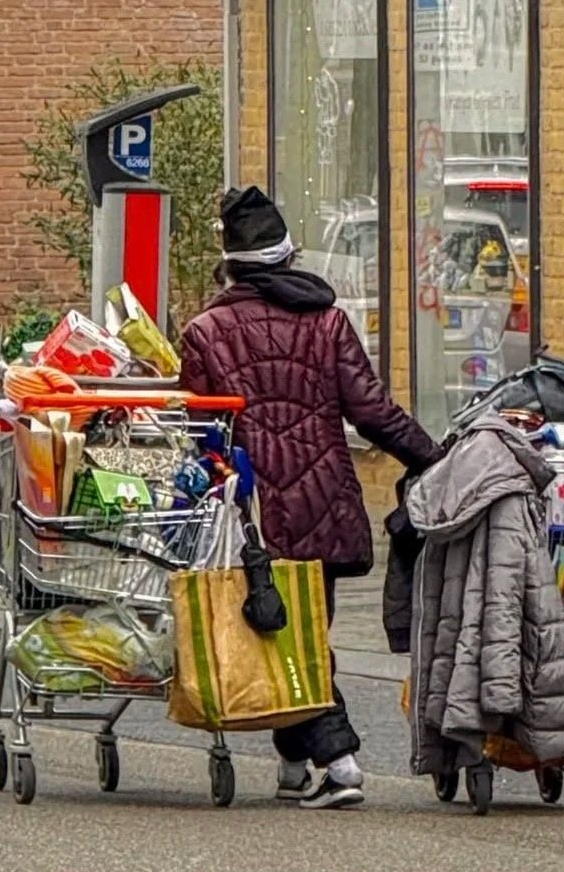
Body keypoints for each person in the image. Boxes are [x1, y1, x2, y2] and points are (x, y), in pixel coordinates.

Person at [181, 185, 441, 807]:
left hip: (253, 513)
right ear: (287, 256)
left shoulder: (206, 331)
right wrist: (433, 457)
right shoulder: (329, 322)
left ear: (231, 263)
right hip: (323, 500)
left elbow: (198, 431)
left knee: (284, 636)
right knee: (301, 628)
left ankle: (340, 760)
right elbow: (371, 411)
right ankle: (295, 766)